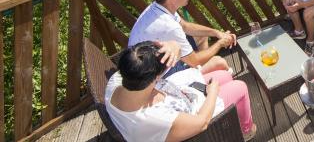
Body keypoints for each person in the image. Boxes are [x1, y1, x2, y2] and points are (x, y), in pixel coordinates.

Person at [105, 41, 256, 141]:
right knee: (240, 87)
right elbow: (201, 123)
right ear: (155, 78)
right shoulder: (152, 119)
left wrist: (172, 45)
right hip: (195, 115)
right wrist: (212, 93)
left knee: (224, 75)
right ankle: (246, 130)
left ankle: (234, 114)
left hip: (183, 96)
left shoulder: (117, 81)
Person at [129, 0, 237, 76]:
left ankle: (201, 69)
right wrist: (220, 43)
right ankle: (202, 76)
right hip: (156, 75)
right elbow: (194, 60)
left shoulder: (159, 7)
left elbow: (185, 26)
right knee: (220, 62)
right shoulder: (168, 26)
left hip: (152, 58)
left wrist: (216, 33)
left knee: (202, 36)